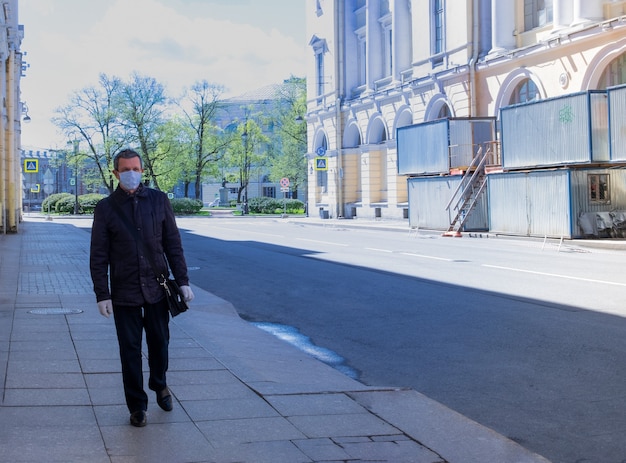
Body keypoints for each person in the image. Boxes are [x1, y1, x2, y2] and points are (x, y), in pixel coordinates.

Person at [89, 149, 194, 427]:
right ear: (115, 173)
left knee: (160, 343)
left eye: (136, 168)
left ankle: (159, 383)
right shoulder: (106, 208)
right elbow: (98, 254)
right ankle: (137, 406)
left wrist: (182, 281)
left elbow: (173, 243)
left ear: (142, 170)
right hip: (124, 292)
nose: (132, 173)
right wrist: (102, 294)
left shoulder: (159, 201)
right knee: (130, 350)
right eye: (125, 169)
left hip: (157, 288)